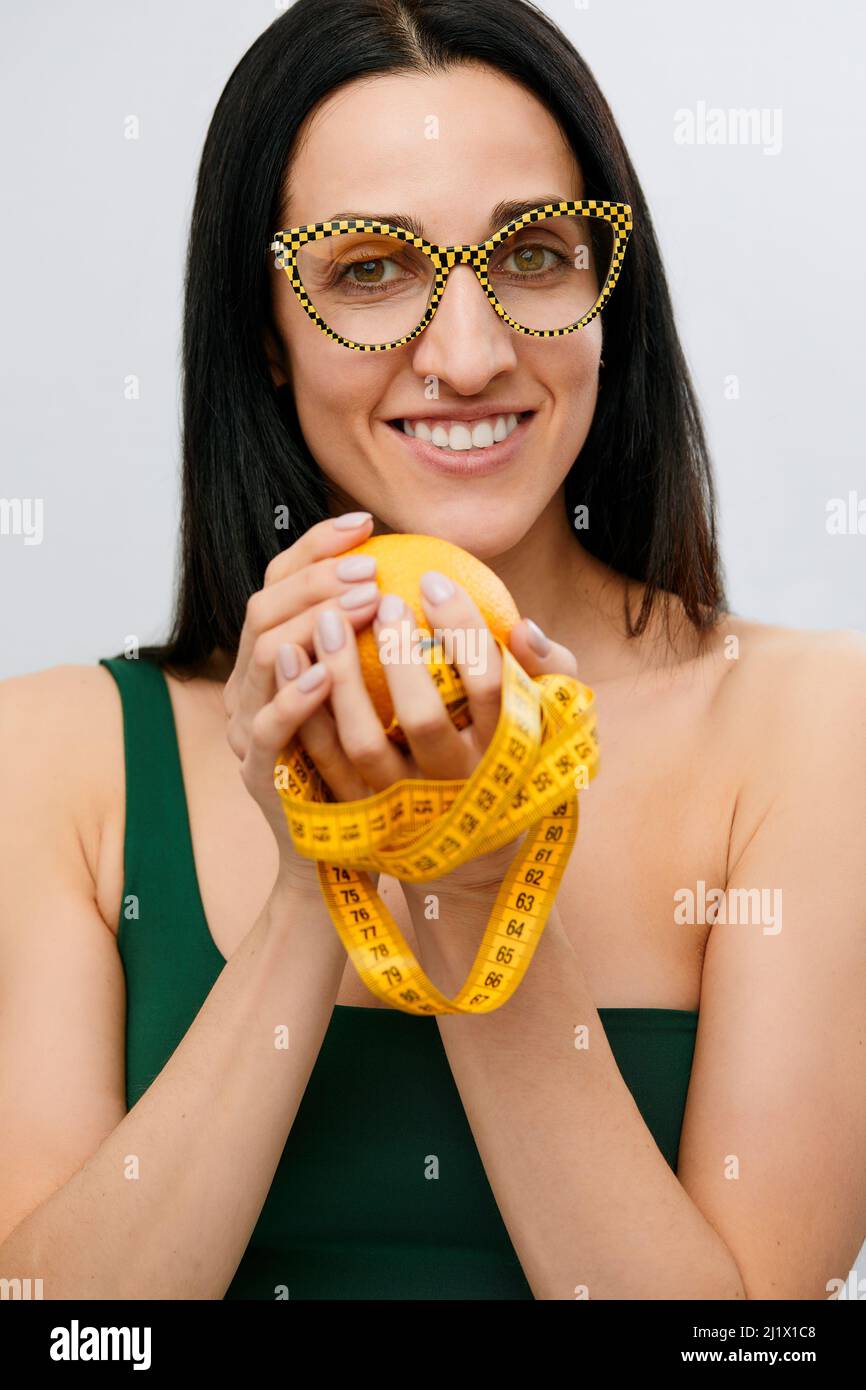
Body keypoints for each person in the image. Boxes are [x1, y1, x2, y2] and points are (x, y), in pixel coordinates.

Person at [1, 0, 863, 1301]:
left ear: (605, 296)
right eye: (366, 272)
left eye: (530, 254)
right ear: (263, 336)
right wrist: (319, 879)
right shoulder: (56, 755)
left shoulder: (814, 728)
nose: (467, 355)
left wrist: (473, 896)